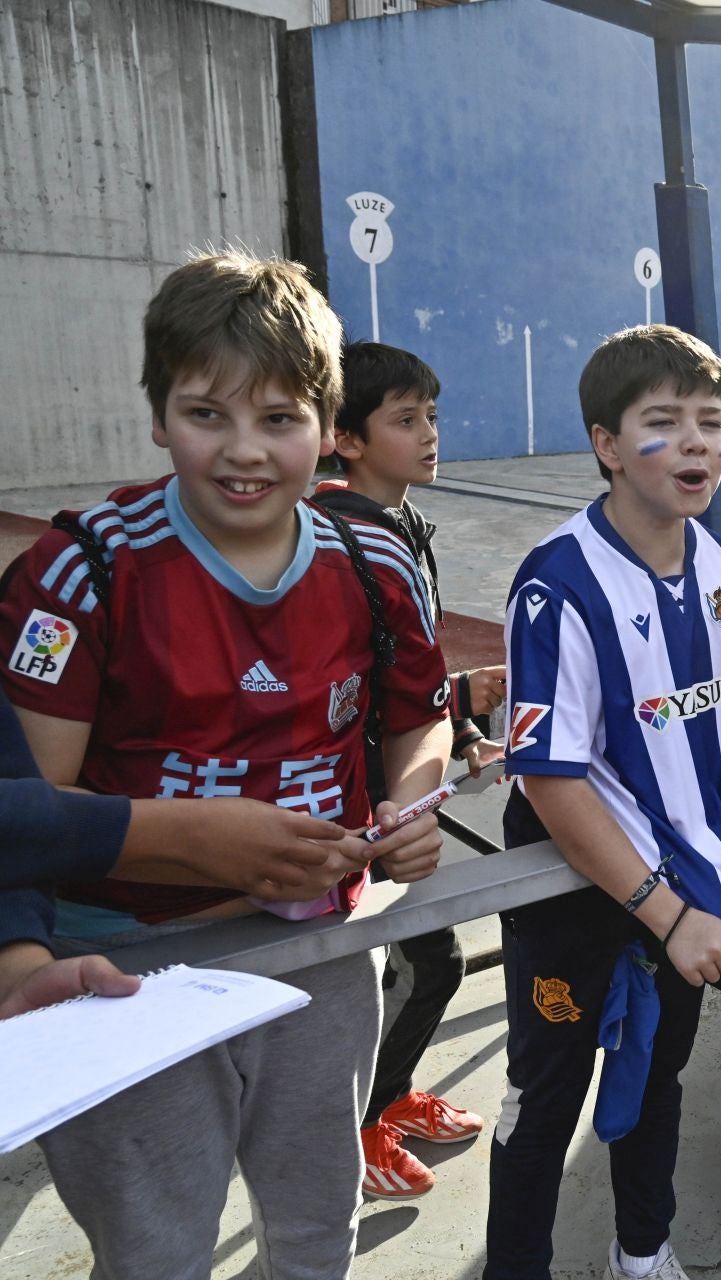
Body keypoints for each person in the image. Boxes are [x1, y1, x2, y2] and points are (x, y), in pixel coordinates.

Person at [0, 251, 451, 1275]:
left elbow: (416, 723)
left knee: (313, 1225)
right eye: (209, 413)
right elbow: (29, 806)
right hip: (123, 968)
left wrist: (411, 799)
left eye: (280, 418)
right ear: (159, 415)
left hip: (322, 955)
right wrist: (206, 845)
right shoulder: (85, 570)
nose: (245, 451)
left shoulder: (372, 559)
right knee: (155, 1248)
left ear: (325, 426)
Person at [486, 325, 721, 1280]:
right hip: (577, 888)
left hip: (689, 886)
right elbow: (549, 777)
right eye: (662, 423)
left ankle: (643, 1252)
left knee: (659, 1073)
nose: (698, 444)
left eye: (711, 421)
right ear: (605, 443)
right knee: (545, 1096)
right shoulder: (558, 582)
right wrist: (668, 914)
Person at [311, 340, 500, 1199]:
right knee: (428, 966)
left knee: (415, 966)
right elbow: (352, 690)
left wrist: (459, 712)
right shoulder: (337, 537)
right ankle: (359, 1123)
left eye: (431, 415)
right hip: (368, 809)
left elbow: (404, 680)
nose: (429, 435)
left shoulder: (401, 526)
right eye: (404, 419)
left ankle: (382, 1102)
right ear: (344, 437)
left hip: (394, 793)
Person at [0, 690, 372, 1020]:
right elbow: (30, 801)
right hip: (126, 935)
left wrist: (18, 960)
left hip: (320, 928)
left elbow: (15, 798)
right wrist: (184, 834)